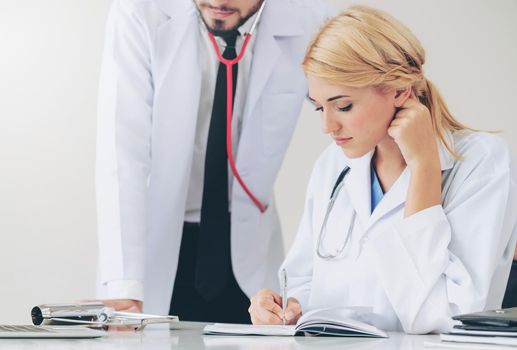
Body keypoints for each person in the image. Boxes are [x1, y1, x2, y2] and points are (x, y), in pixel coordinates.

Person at [248, 5, 517, 333]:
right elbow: (304, 281)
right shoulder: (334, 164)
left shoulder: (481, 163)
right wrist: (284, 308)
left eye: (343, 105)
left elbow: (441, 316)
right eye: (319, 107)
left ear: (401, 90)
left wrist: (424, 168)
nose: (327, 125)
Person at [95, 0, 330, 323]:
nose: (219, 2)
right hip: (157, 250)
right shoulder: (140, 12)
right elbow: (123, 154)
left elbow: (359, 97)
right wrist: (123, 284)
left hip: (250, 255)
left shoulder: (309, 19)